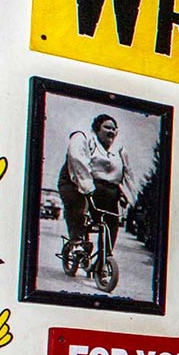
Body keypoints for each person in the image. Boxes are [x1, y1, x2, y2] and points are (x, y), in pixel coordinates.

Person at [59, 113, 135, 268]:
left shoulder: (119, 149)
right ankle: (77, 242)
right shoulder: (82, 137)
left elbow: (127, 173)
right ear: (97, 128)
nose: (111, 131)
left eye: (114, 129)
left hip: (101, 186)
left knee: (111, 219)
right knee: (78, 206)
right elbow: (77, 161)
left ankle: (104, 256)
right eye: (107, 127)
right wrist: (87, 187)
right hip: (74, 180)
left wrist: (127, 195)